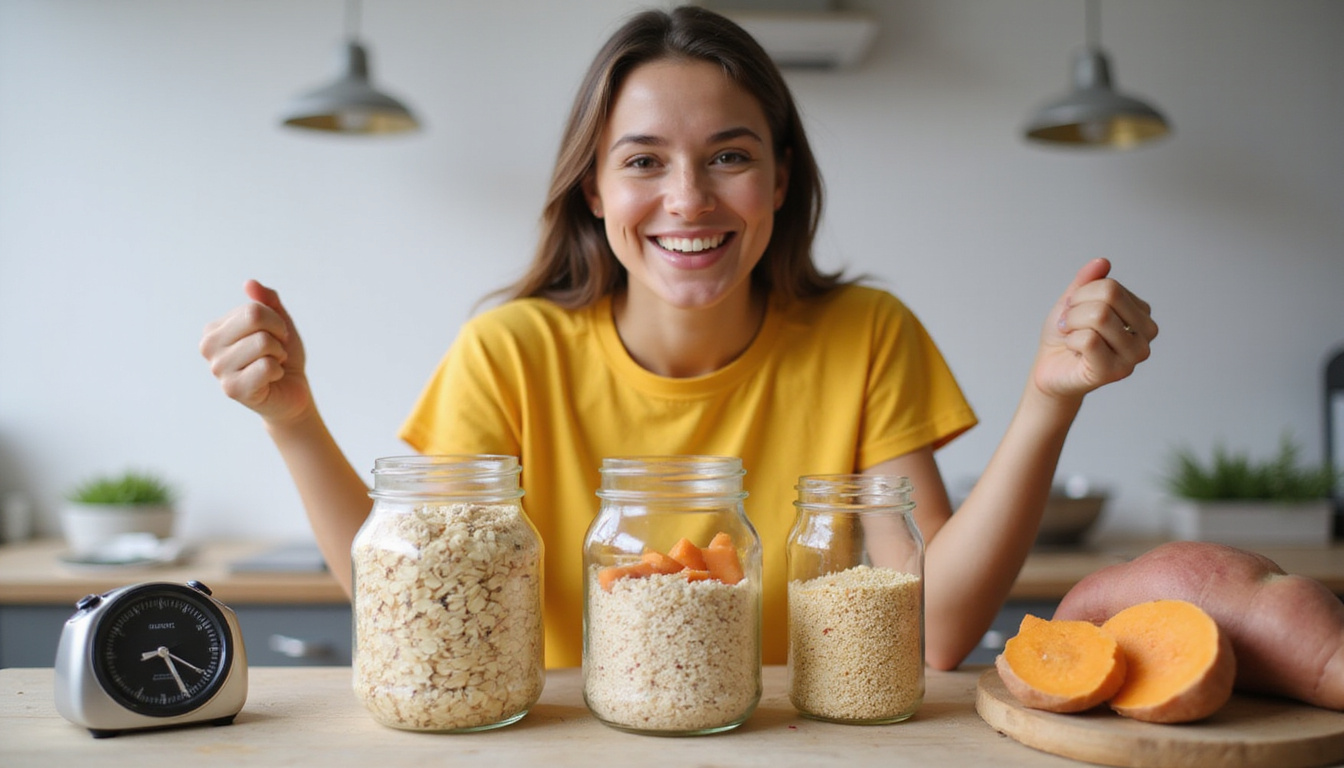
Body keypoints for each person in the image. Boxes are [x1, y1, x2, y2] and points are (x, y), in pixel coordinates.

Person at [200, 6, 1156, 670]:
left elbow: (931, 635)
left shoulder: (867, 337)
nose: (689, 200)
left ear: (781, 179)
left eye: (730, 156)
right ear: (595, 191)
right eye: (644, 162)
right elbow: (413, 603)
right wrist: (292, 421)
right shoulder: (512, 352)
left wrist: (1049, 401)